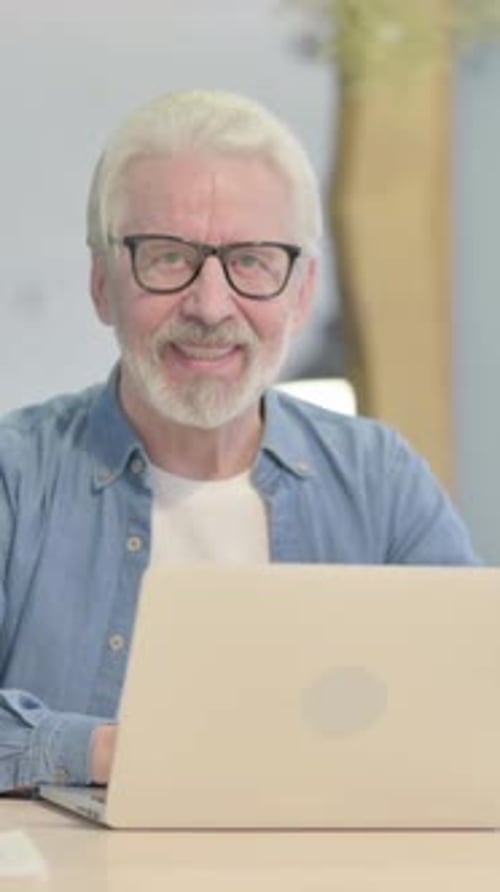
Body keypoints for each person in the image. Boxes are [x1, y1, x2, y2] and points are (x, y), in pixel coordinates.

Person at [0, 88, 478, 794]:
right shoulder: (16, 476)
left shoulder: (381, 481)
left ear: (303, 290)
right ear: (102, 283)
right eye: (166, 257)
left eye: (252, 261)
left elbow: (473, 709)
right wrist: (119, 753)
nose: (210, 306)